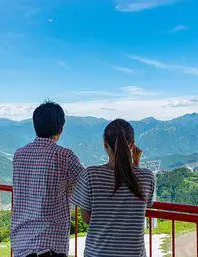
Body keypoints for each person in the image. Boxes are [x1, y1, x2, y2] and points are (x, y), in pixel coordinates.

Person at [70, 119, 155, 257]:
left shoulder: (90, 175)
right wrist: (136, 164)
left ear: (105, 144)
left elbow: (86, 218)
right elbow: (141, 208)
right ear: (132, 145)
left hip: (97, 253)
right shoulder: (147, 177)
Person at [11, 101, 84, 257]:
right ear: (61, 128)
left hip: (20, 244)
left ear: (35, 126)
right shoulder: (65, 156)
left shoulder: (19, 155)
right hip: (51, 246)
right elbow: (86, 186)